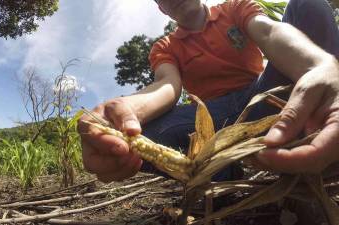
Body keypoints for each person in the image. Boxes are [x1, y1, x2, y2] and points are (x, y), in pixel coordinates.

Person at [78, 0, 339, 183]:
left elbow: (269, 32)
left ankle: (323, 130)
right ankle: (220, 175)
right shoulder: (166, 47)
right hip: (212, 119)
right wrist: (129, 111)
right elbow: (167, 85)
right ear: (162, 9)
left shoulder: (234, 8)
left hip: (262, 96)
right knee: (141, 138)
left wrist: (321, 65)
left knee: (308, 4)